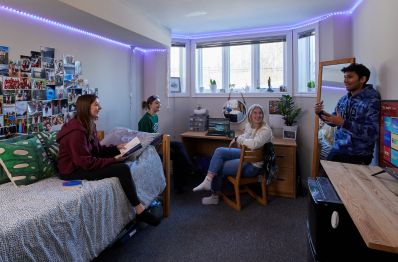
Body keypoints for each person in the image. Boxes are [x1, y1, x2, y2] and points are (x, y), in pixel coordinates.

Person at [57, 94, 160, 226]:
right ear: (85, 108)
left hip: (82, 164)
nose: (100, 107)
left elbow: (97, 150)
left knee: (123, 163)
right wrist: (113, 160)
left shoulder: (89, 125)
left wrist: (117, 149)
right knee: (122, 168)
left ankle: (138, 206)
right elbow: (85, 162)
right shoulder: (76, 132)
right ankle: (139, 209)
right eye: (96, 104)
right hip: (72, 171)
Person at [193, 104, 272, 205]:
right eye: (255, 113)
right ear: (250, 115)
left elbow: (255, 144)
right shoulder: (250, 125)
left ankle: (214, 195)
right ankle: (208, 181)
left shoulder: (265, 130)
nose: (258, 115)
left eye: (260, 113)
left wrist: (239, 139)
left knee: (218, 165)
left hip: (253, 166)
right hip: (246, 155)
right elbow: (245, 136)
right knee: (219, 151)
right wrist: (236, 138)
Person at [314, 63, 380, 165]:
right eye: (345, 77)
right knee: (325, 177)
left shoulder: (371, 100)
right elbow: (333, 121)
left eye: (349, 77)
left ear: (362, 79)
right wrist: (320, 113)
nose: (345, 81)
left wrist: (344, 123)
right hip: (338, 149)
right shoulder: (344, 99)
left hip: (357, 155)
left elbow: (372, 134)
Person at [138, 95, 196, 194]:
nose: (159, 105)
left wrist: (160, 137)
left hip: (158, 142)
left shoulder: (155, 116)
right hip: (152, 148)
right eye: (156, 103)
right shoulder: (144, 120)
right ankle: (182, 182)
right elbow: (145, 141)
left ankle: (189, 167)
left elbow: (154, 134)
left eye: (159, 103)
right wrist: (159, 141)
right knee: (177, 155)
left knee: (179, 145)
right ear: (149, 105)